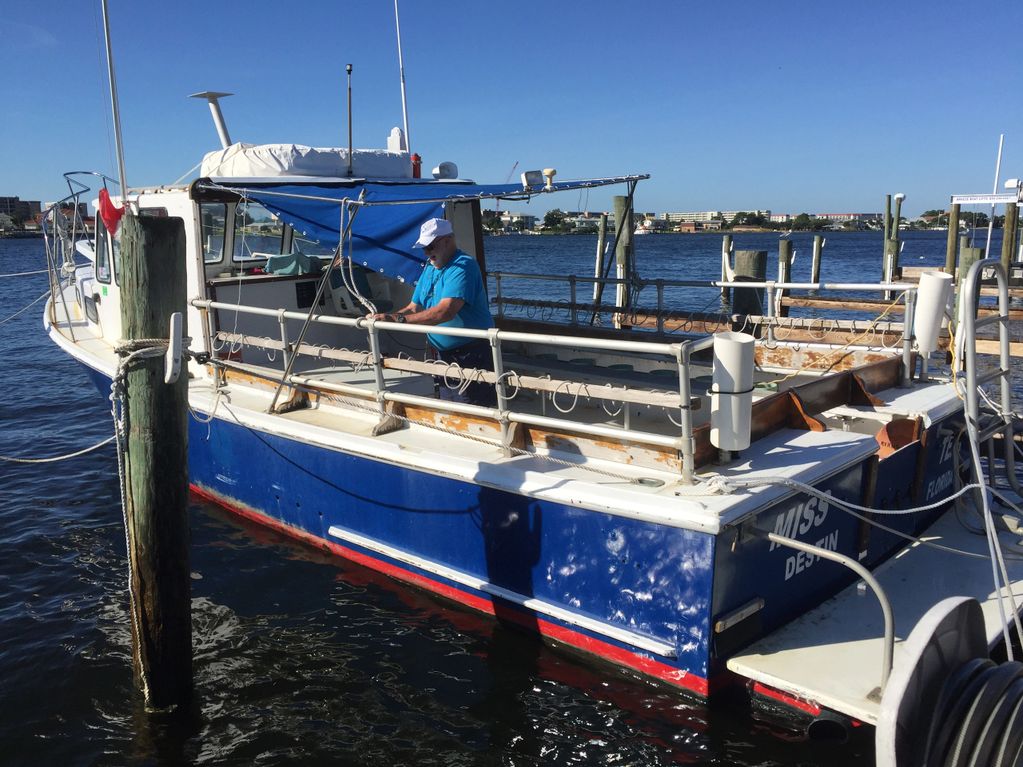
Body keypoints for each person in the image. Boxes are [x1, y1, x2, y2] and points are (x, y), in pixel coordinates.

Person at [370, 218, 496, 407]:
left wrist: (399, 320)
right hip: (443, 354)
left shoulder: (463, 266)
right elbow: (413, 307)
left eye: (430, 246)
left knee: (474, 408)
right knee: (449, 405)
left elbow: (445, 312)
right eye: (424, 248)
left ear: (448, 240)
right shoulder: (430, 268)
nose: (427, 253)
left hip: (472, 352)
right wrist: (385, 320)